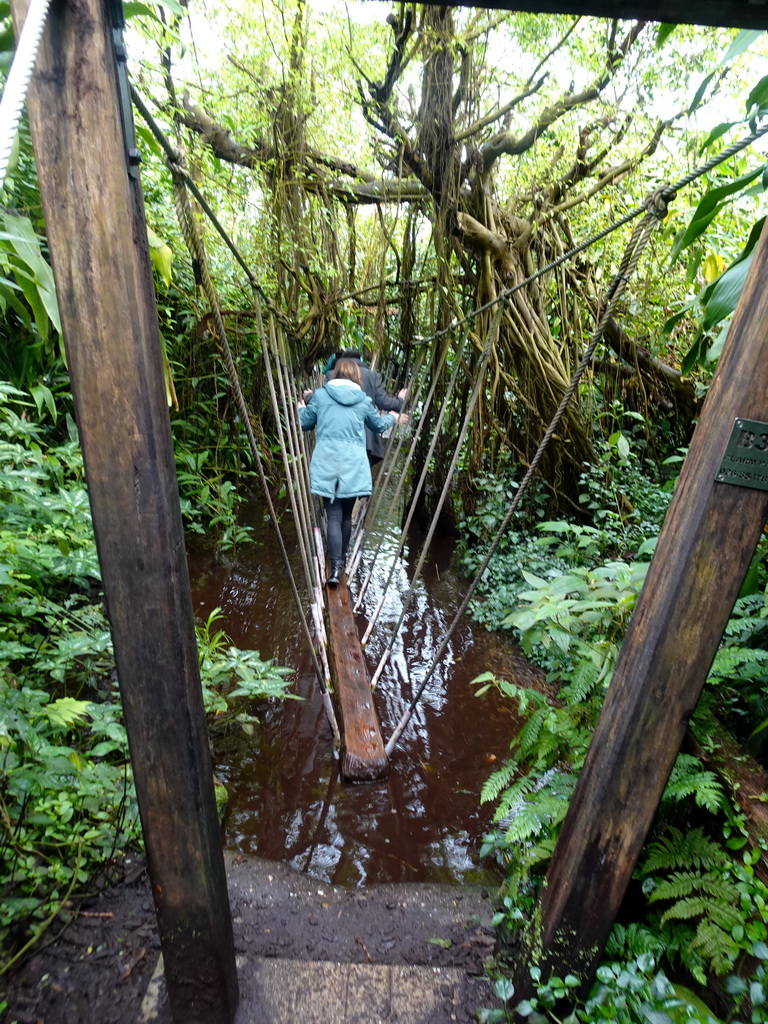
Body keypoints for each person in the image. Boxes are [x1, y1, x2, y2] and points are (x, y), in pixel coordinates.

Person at [299, 358, 408, 587]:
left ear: (335, 374)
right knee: (346, 516)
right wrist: (394, 417)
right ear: (357, 377)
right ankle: (341, 565)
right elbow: (379, 425)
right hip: (353, 465)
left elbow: (306, 423)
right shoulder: (363, 401)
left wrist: (301, 408)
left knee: (333, 515)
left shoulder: (320, 395)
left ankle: (333, 567)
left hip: (328, 462)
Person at [341, 348, 407, 465]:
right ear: (360, 360)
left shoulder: (334, 375)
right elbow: (383, 402)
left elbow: (322, 399)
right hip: (364, 437)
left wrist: (310, 397)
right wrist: (400, 400)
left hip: (339, 435)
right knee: (360, 475)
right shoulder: (371, 376)